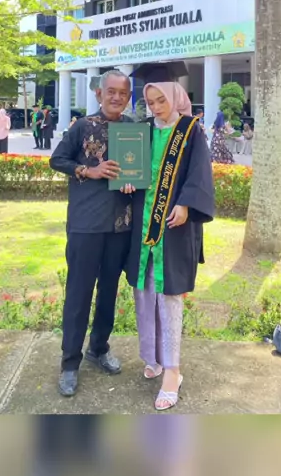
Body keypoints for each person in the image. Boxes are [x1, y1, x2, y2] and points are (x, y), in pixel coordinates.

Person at [126, 63, 215, 411]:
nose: (156, 108)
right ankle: (153, 357)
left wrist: (187, 205)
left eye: (161, 100)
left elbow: (200, 175)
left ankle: (173, 371)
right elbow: (133, 170)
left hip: (174, 228)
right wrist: (126, 180)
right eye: (150, 102)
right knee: (144, 291)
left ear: (175, 96)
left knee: (170, 295)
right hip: (143, 227)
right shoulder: (144, 132)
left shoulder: (190, 130)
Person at [49, 69, 133, 397]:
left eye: (123, 93)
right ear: (99, 94)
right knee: (79, 293)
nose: (116, 98)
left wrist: (133, 182)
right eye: (111, 91)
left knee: (109, 291)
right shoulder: (82, 126)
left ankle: (99, 348)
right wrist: (89, 170)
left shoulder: (134, 129)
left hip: (120, 225)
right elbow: (57, 160)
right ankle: (70, 362)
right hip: (86, 224)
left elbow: (142, 171)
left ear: (128, 97)